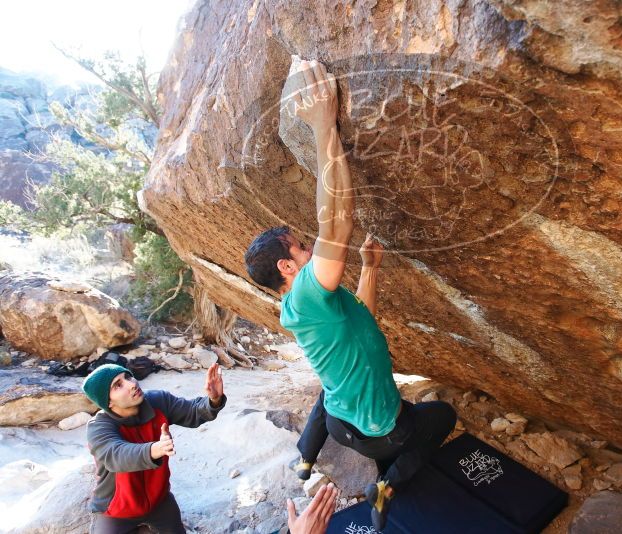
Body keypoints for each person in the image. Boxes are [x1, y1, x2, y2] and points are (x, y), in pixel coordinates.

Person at [245, 59, 456, 530]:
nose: (309, 249)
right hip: (383, 429)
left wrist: (370, 269)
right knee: (440, 416)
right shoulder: (304, 292)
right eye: (300, 247)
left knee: (361, 406)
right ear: (287, 267)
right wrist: (324, 126)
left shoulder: (310, 305)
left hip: (343, 424)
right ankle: (387, 485)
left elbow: (361, 320)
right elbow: (336, 221)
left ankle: (332, 463)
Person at [82, 363, 338, 534]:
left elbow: (193, 411)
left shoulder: (156, 401)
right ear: (108, 402)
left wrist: (213, 400)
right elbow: (115, 455)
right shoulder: (99, 427)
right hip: (117, 510)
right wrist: (154, 450)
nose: (130, 383)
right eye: (118, 385)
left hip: (160, 502)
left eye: (127, 376)